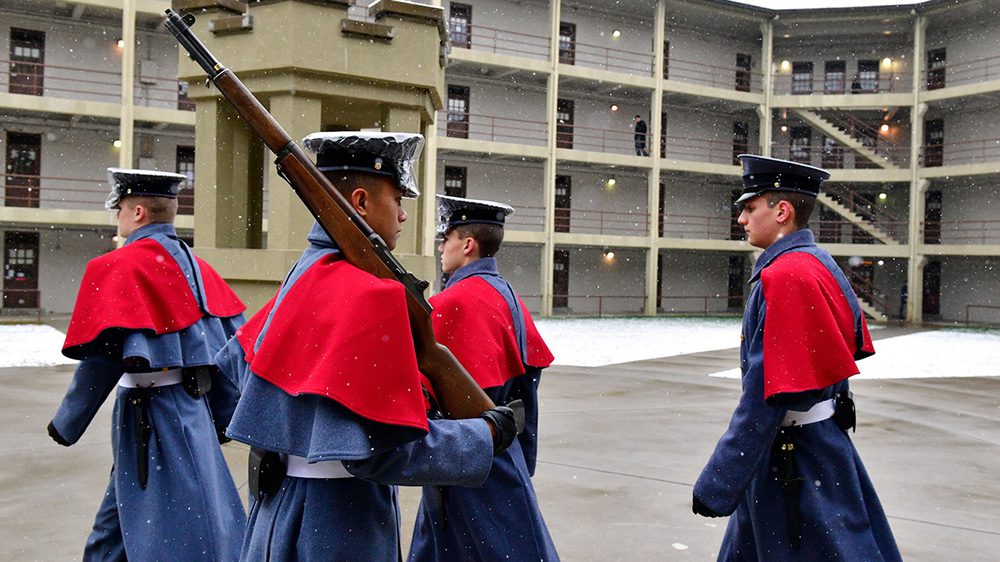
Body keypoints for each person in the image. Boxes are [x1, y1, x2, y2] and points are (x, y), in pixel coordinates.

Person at [214, 131, 521, 561]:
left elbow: (230, 377)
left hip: (276, 516)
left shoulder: (302, 276)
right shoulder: (370, 294)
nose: (403, 216)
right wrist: (483, 434)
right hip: (340, 525)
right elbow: (380, 454)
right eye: (397, 199)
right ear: (360, 202)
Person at [692, 155, 901, 561]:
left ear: (782, 211)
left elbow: (765, 397)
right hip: (815, 447)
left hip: (794, 461)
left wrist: (719, 481)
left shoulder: (787, 276)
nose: (742, 220)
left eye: (751, 208)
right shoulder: (817, 263)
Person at [48, 168, 248, 561]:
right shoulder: (201, 270)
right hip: (192, 409)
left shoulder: (118, 266)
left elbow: (101, 360)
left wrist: (67, 421)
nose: (118, 215)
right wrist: (225, 418)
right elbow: (228, 354)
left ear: (137, 211)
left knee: (178, 529)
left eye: (120, 207)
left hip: (149, 416)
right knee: (159, 512)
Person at [408, 195, 559, 561]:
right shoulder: (507, 295)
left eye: (447, 238)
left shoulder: (452, 302)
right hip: (503, 458)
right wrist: (524, 461)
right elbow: (527, 393)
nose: (442, 247)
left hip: (467, 466)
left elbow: (422, 400)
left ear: (468, 244)